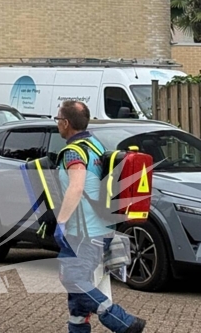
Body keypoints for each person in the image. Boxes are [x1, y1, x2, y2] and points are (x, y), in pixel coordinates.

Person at [53, 100, 145, 333]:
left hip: (82, 232)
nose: (57, 124)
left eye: (57, 120)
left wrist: (61, 222)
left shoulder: (73, 151)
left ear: (65, 123)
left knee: (72, 279)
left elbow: (76, 186)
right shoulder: (94, 144)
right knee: (77, 296)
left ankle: (121, 320)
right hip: (102, 227)